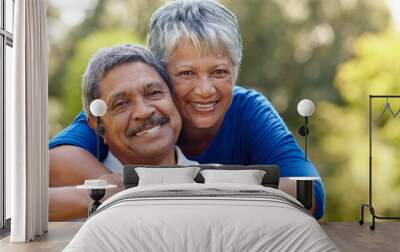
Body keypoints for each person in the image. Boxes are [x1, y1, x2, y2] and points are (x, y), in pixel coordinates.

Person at [49, 0, 325, 219]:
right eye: (186, 73)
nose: (205, 89)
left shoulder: (248, 110)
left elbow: (310, 193)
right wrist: (119, 198)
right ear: (160, 74)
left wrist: (184, 190)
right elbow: (57, 162)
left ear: (235, 72)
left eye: (219, 71)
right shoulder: (132, 110)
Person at [49, 44, 197, 221]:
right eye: (121, 104)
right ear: (98, 126)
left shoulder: (215, 185)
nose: (143, 111)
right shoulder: (71, 211)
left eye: (154, 93)